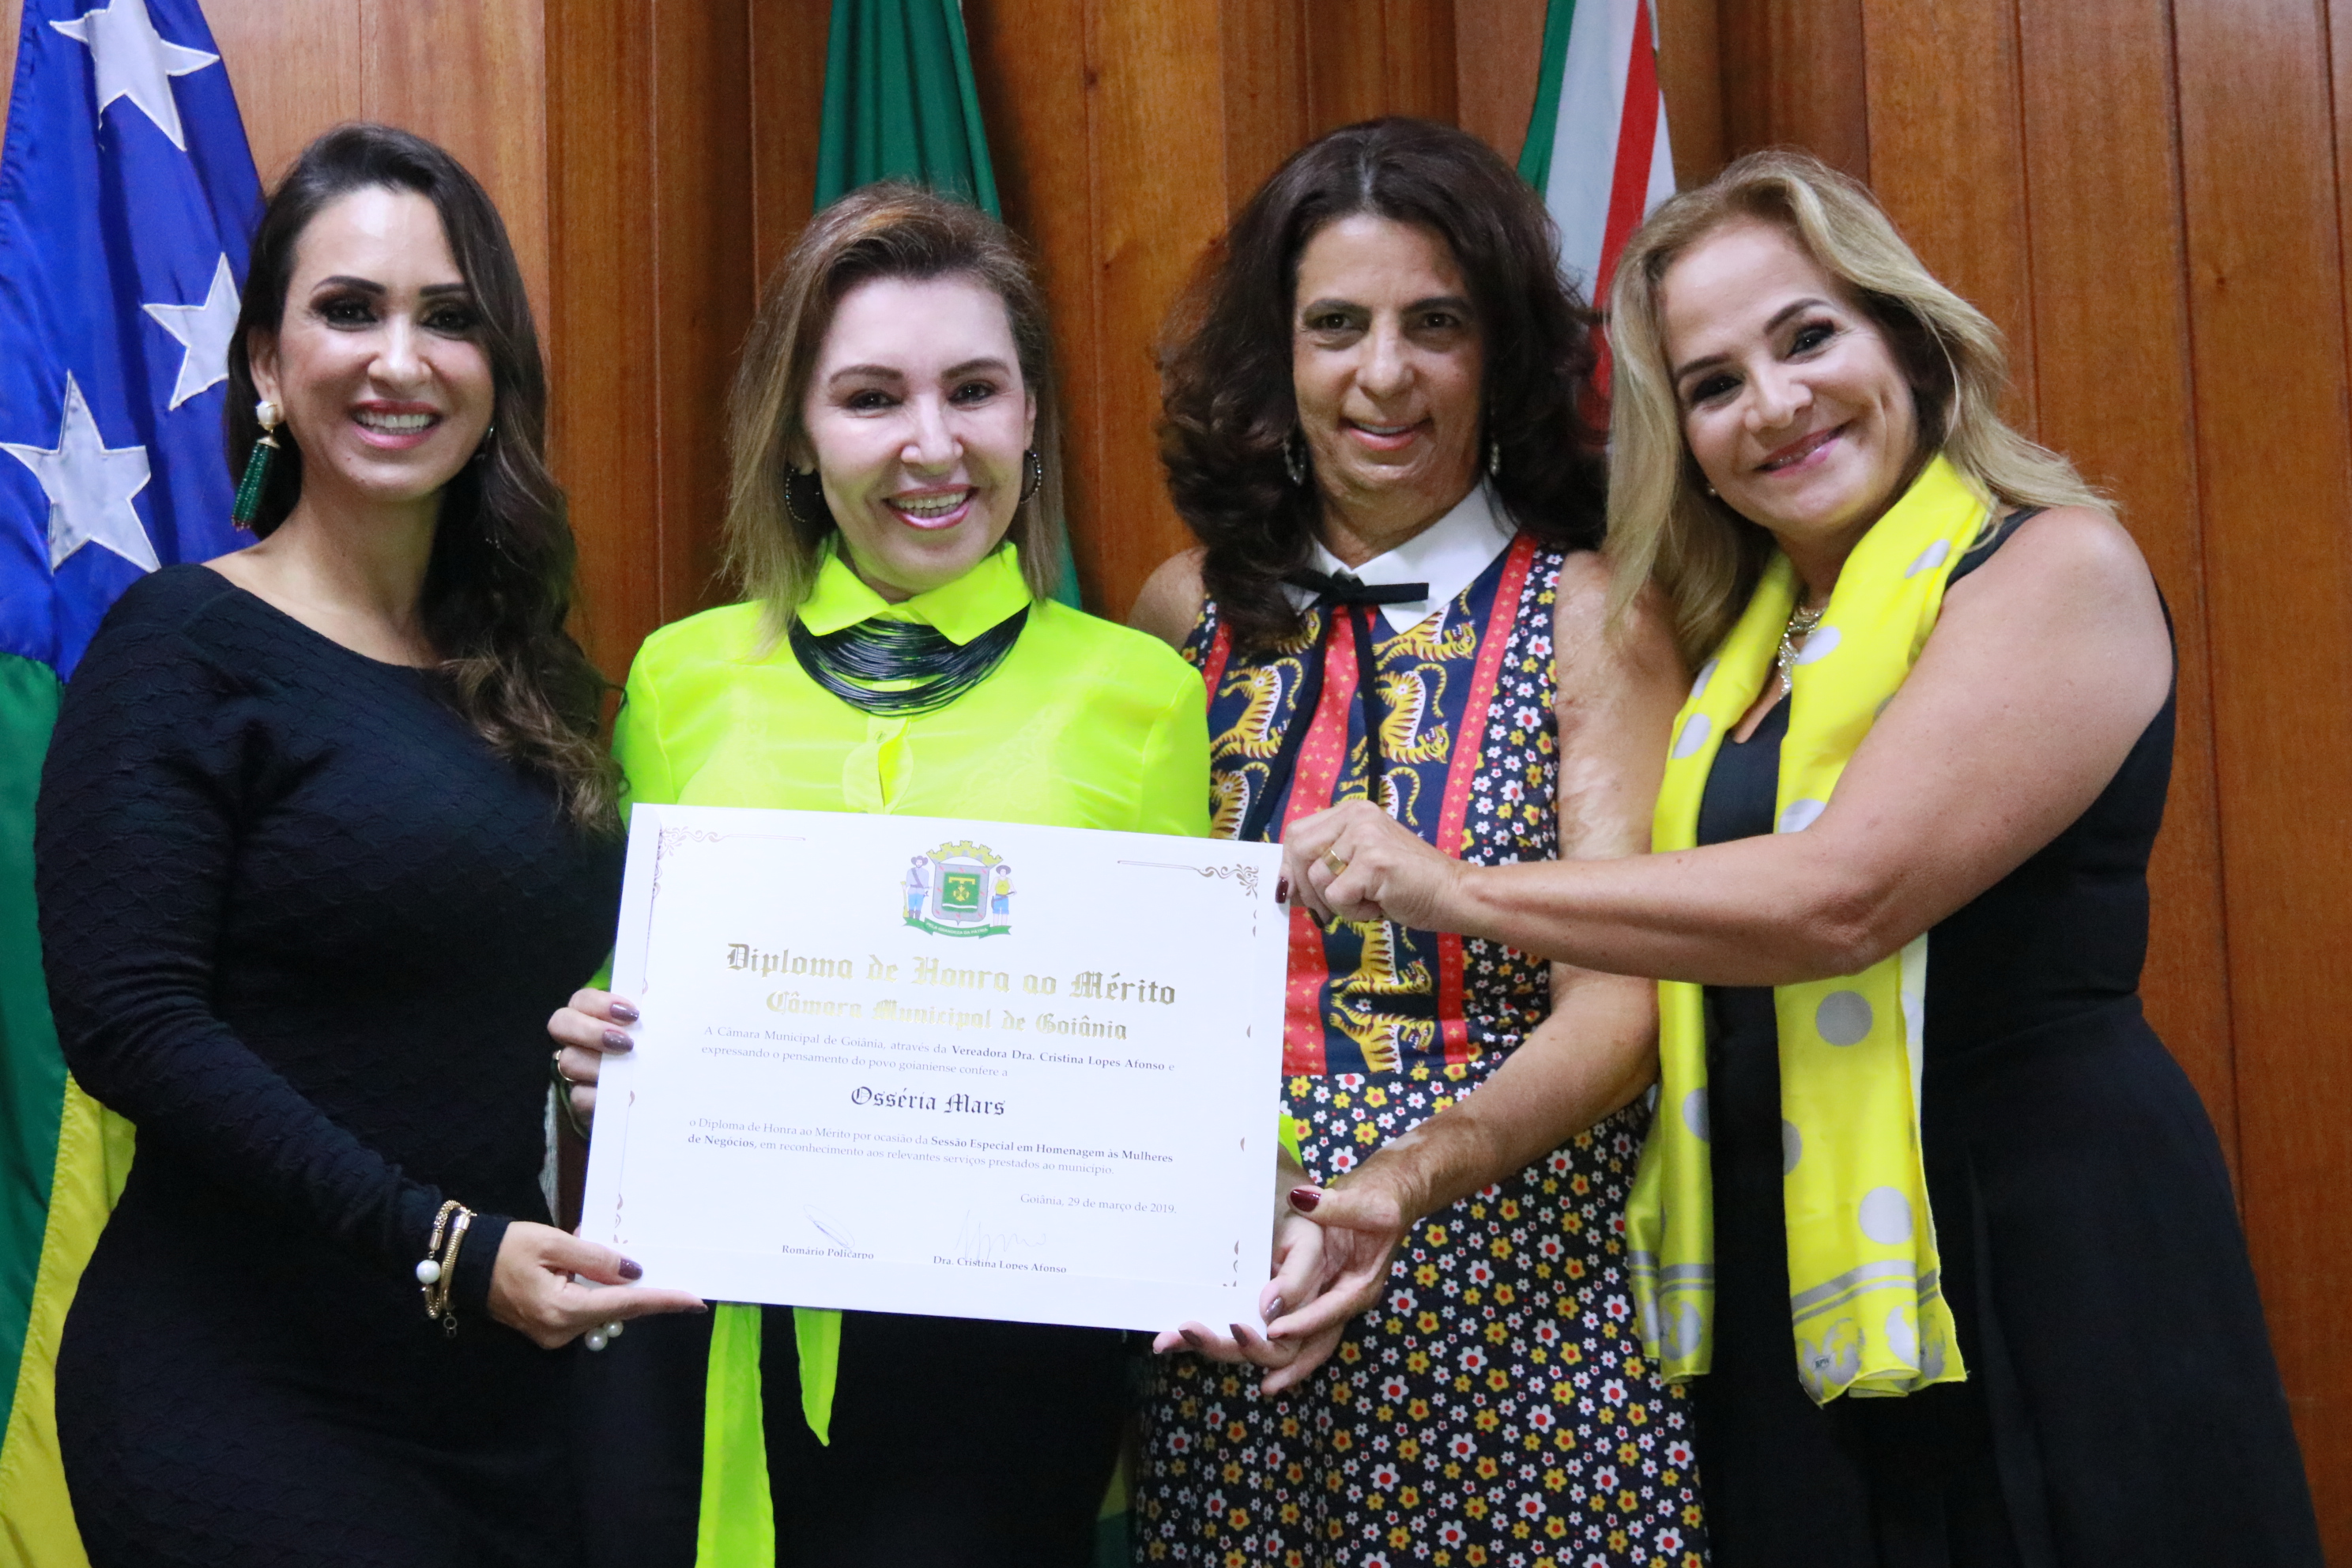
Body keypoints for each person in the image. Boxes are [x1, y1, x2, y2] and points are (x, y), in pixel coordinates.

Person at [1280, 149, 2323, 1566]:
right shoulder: (1744, 649)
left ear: (1907, 337)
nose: (1774, 405)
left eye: (1808, 338)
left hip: (2031, 1237)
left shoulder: (2053, 568)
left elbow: (1842, 897)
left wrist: (1457, 892)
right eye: (1713, 385)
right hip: (1788, 1261)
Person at [34, 123, 700, 1568]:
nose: (401, 359)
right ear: (267, 369)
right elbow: (131, 1025)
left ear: (494, 371)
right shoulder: (181, 644)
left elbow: (514, 1005)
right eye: (350, 310)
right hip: (242, 1393)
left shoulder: (533, 680)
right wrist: (443, 1243)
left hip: (507, 1396)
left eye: (447, 317)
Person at [551, 183, 1209, 1567]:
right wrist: (594, 1048)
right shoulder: (679, 678)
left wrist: (1243, 1189)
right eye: (870, 398)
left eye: (973, 390)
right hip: (695, 1352)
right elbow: (625, 988)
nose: (932, 445)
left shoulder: (1143, 696)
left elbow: (1184, 1040)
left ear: (1031, 413)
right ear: (798, 433)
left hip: (995, 1381)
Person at [1126, 118, 1709, 1568]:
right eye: (1336, 325)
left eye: (1434, 324)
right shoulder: (1182, 609)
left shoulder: (1592, 611)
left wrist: (1409, 1174)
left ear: (1499, 356)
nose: (1382, 374)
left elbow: (1622, 1004)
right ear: (1277, 357)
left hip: (1509, 1305)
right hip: (1233, 1314)